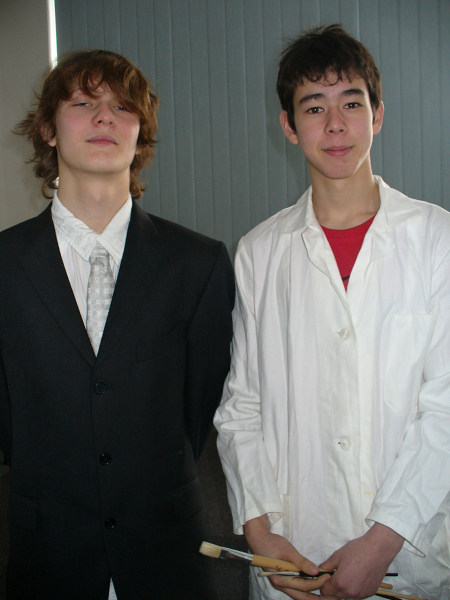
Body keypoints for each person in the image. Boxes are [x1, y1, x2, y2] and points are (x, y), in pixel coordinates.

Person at [214, 24, 449, 600]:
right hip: (294, 552)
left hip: (405, 556)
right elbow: (243, 408)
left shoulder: (435, 238)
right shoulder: (260, 251)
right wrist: (258, 529)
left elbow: (444, 408)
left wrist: (383, 540)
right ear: (289, 127)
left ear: (378, 115)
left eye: (352, 103)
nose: (336, 124)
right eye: (314, 107)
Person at [0, 49, 234, 600]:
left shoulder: (198, 263)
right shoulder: (4, 265)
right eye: (84, 103)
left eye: (123, 107)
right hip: (47, 552)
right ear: (48, 130)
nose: (105, 116)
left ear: (141, 133)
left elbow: (197, 408)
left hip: (167, 552)